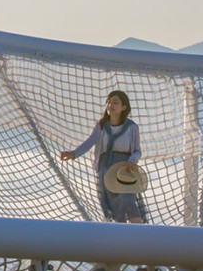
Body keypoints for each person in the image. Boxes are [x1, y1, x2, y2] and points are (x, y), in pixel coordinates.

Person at [61, 90, 145, 223]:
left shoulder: (131, 127)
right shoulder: (101, 126)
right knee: (114, 207)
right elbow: (89, 142)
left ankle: (140, 232)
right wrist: (73, 154)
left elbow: (137, 151)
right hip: (105, 168)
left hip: (124, 168)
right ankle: (119, 235)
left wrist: (132, 160)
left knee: (127, 198)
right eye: (108, 102)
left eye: (115, 102)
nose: (110, 105)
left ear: (124, 107)